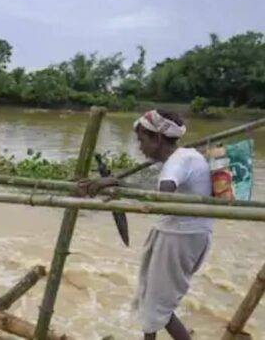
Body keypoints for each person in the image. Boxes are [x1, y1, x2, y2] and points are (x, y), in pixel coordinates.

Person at [82, 109, 211, 340]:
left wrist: (119, 186)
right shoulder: (182, 157)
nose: (140, 147)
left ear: (158, 139)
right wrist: (117, 184)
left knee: (158, 306)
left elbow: (164, 194)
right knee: (152, 300)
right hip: (179, 232)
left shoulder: (178, 161)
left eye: (142, 141)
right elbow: (157, 182)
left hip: (180, 237)